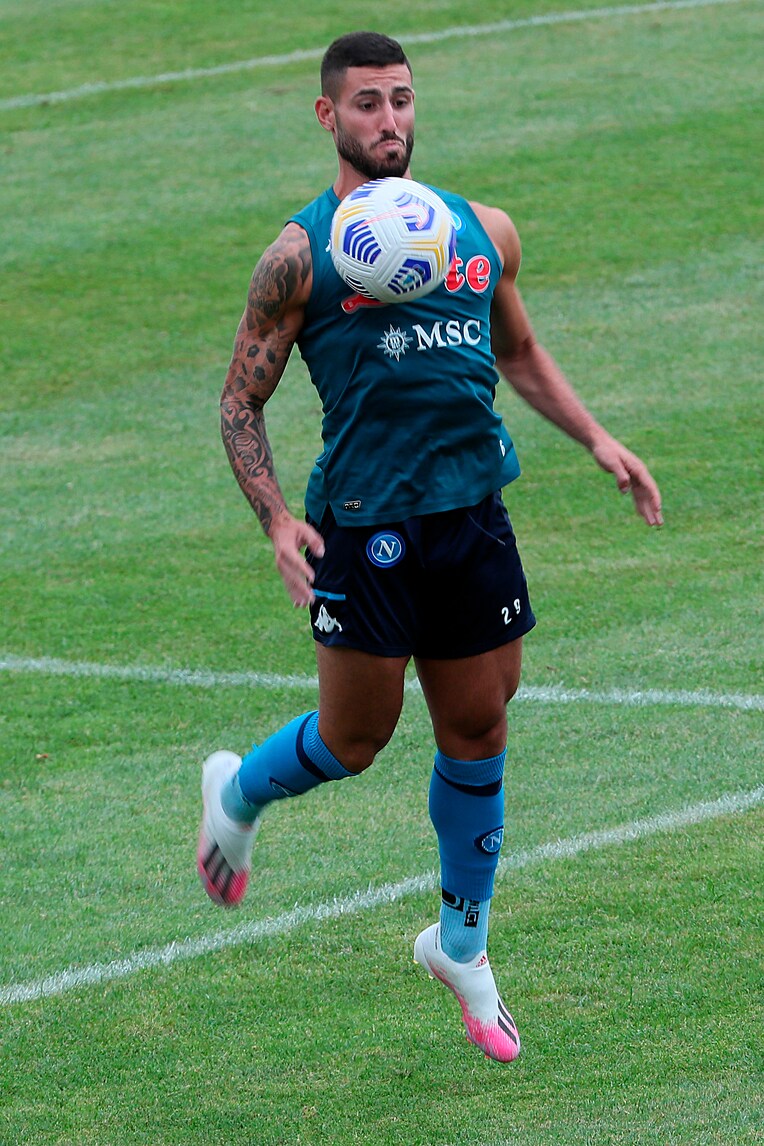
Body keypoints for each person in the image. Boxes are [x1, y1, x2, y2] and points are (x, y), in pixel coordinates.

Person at [197, 30, 663, 1064]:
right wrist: (276, 519)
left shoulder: (479, 231)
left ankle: (460, 945)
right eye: (366, 103)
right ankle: (236, 793)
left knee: (480, 721)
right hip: (366, 528)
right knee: (354, 740)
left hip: (471, 517)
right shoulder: (300, 256)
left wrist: (596, 439)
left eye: (401, 100)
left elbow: (517, 349)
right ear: (328, 115)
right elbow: (238, 401)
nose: (389, 121)